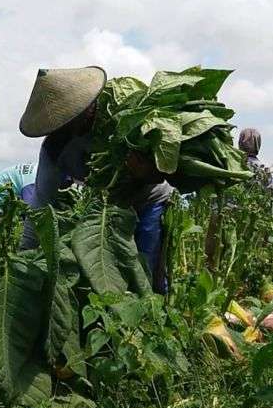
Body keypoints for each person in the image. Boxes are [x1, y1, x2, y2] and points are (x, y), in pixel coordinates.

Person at [18, 66, 173, 293]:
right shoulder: (55, 149)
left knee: (147, 275)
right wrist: (24, 256)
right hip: (108, 213)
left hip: (150, 200)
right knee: (111, 283)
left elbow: (166, 170)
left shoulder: (124, 120)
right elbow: (41, 205)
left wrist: (146, 172)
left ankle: (155, 321)